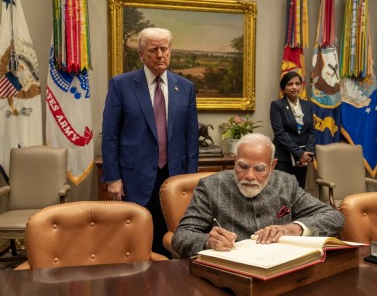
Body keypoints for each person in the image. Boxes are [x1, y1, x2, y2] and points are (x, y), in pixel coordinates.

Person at [102, 27, 199, 257]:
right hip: (133, 178)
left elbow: (191, 137)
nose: (160, 55)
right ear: (141, 55)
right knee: (135, 240)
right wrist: (113, 178)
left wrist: (190, 179)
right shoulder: (121, 85)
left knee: (171, 237)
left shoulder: (185, 87)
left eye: (164, 49)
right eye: (153, 50)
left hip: (173, 177)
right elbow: (110, 135)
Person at [172, 133, 343, 258]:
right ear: (234, 161)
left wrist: (293, 228)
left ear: (272, 165)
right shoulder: (211, 186)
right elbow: (181, 236)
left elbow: (334, 217)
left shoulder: (286, 183)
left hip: (280, 268)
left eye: (260, 168)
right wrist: (209, 241)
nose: (250, 176)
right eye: (243, 166)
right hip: (232, 272)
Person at [270, 71, 315, 189]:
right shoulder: (277, 105)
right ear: (284, 87)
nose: (294, 87)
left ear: (301, 86)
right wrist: (299, 154)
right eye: (290, 84)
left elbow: (311, 131)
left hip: (302, 160)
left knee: (299, 192)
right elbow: (280, 133)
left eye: (297, 84)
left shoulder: (307, 106)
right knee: (282, 191)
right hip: (284, 158)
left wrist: (307, 154)